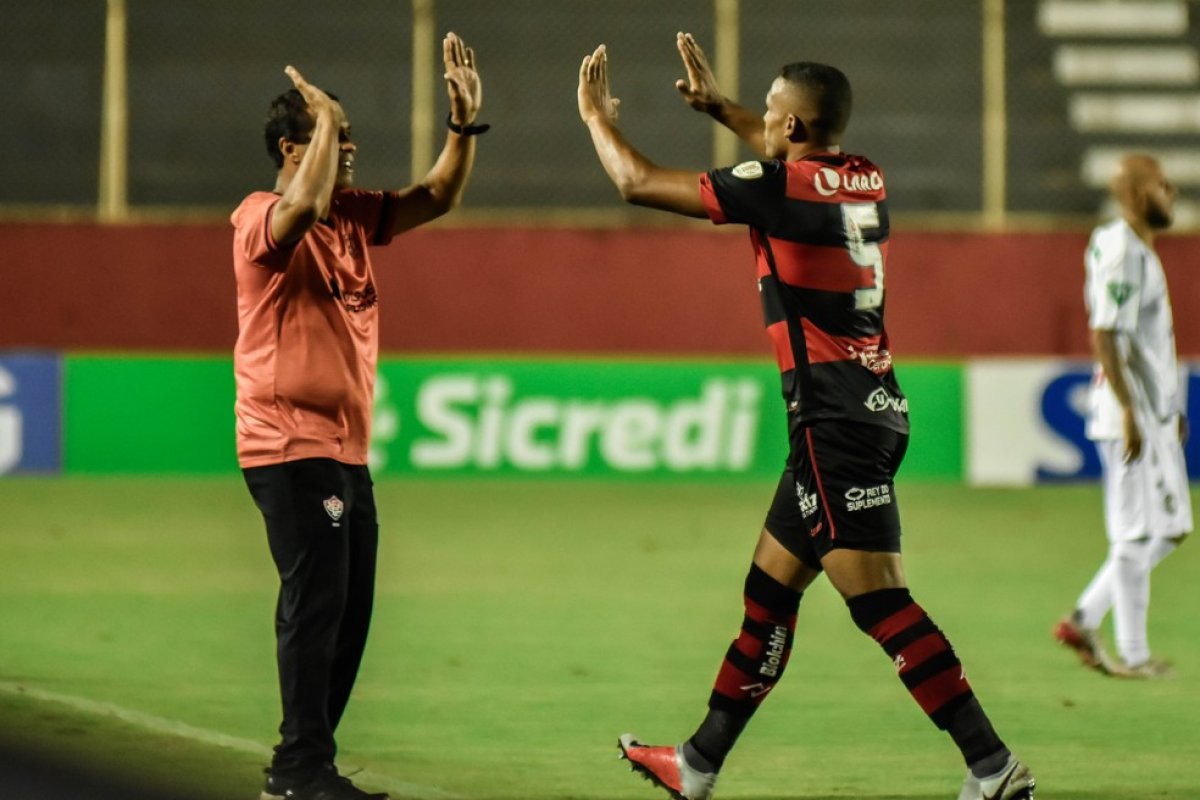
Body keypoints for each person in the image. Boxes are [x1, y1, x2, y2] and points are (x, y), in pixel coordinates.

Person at [577, 33, 1034, 800]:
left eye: (767, 111)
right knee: (768, 594)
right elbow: (786, 154)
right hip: (871, 409)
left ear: (791, 130)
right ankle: (698, 763)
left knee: (882, 602)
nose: (760, 119)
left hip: (833, 422)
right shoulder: (865, 176)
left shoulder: (779, 187)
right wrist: (720, 106)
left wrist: (594, 116)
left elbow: (635, 181)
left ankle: (991, 767)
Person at [231, 33, 486, 800]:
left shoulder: (351, 216)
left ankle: (306, 763)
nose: (350, 151)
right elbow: (300, 205)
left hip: (346, 448)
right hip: (287, 443)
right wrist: (330, 113)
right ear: (289, 148)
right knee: (316, 607)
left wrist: (463, 128)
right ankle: (299, 766)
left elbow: (436, 196)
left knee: (349, 611)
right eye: (334, 140)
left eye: (349, 139)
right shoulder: (261, 215)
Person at [1053, 155, 1191, 679]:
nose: (1172, 190)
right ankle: (1129, 651)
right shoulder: (1122, 250)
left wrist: (1166, 408)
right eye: (1161, 183)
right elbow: (1105, 332)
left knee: (1170, 527)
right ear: (1135, 192)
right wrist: (1132, 409)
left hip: (1148, 411)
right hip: (1126, 412)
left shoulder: (1137, 252)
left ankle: (1087, 617)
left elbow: (1141, 341)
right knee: (1137, 534)